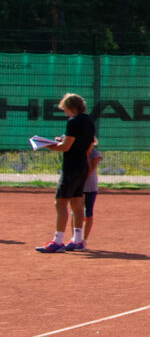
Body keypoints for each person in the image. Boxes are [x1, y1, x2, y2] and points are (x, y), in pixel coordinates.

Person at [36, 94, 95, 254]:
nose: (65, 113)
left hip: (71, 167)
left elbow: (65, 147)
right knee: (77, 204)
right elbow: (83, 143)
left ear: (71, 107)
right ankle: (77, 241)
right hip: (82, 166)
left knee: (60, 202)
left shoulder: (73, 122)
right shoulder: (89, 121)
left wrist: (45, 144)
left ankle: (57, 241)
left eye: (65, 110)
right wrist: (61, 141)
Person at [66, 145, 101, 252]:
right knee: (75, 211)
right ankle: (75, 239)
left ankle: (84, 240)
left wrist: (85, 156)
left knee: (88, 213)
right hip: (77, 186)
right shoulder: (76, 152)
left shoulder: (95, 155)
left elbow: (89, 172)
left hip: (90, 188)